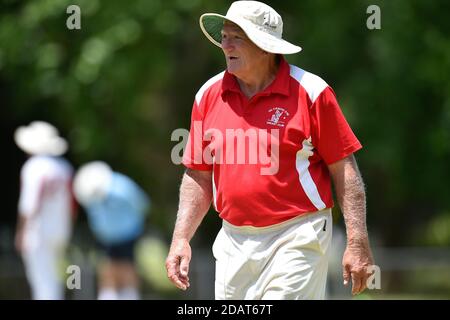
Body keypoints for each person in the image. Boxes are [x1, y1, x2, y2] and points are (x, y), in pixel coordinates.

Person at [166, 1, 374, 300]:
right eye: (224, 36)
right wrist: (181, 238)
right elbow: (198, 173)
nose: (226, 45)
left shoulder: (311, 92)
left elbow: (344, 169)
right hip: (233, 239)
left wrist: (357, 240)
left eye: (237, 37)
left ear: (265, 46)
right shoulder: (208, 95)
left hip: (298, 234)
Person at [14, 121, 74, 300]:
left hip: (38, 231)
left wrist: (21, 232)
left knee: (41, 279)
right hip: (61, 229)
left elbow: (28, 205)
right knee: (55, 278)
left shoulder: (33, 168)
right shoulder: (64, 167)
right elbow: (72, 204)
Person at [73, 161, 150, 300]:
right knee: (107, 267)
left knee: (126, 267)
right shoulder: (89, 192)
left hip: (128, 234)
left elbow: (142, 204)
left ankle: (130, 295)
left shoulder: (122, 188)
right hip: (106, 237)